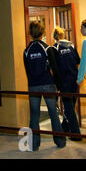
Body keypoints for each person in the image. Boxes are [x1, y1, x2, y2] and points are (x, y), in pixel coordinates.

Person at [23, 21, 66, 151]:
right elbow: (55, 69)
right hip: (48, 84)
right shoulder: (48, 48)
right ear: (42, 33)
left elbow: (28, 70)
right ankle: (59, 141)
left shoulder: (26, 51)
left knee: (34, 115)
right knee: (53, 113)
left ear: (30, 33)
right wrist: (58, 86)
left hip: (33, 85)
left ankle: (34, 144)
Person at [49, 27, 81, 141]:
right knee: (71, 106)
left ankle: (76, 133)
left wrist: (56, 83)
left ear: (54, 36)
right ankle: (65, 127)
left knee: (68, 107)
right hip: (75, 80)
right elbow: (78, 61)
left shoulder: (55, 48)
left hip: (64, 81)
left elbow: (54, 67)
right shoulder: (71, 46)